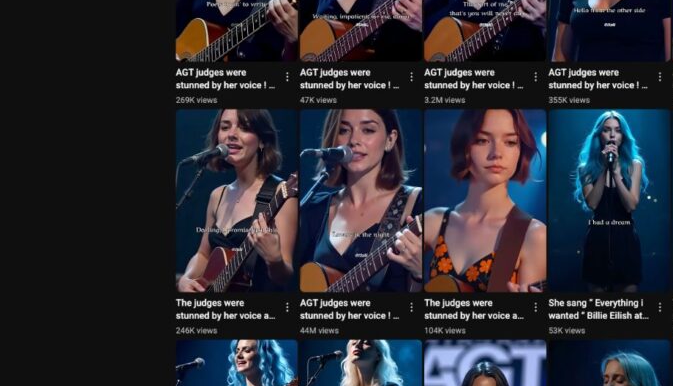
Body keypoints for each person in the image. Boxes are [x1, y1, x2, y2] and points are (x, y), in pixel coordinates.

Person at [297, 109, 423, 292]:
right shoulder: (314, 208)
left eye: (368, 130)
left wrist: (419, 274)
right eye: (343, 130)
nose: (353, 141)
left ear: (390, 139)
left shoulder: (417, 204)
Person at [424, 110, 547, 293]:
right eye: (482, 140)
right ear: (465, 146)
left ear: (520, 150)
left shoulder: (534, 235)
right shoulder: (433, 221)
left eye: (510, 142)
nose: (496, 153)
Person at [177, 109, 297, 292]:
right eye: (225, 127)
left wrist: (275, 260)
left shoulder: (282, 194)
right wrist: (186, 279)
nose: (232, 134)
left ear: (263, 141)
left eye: (244, 127)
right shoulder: (217, 195)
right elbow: (203, 254)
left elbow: (284, 276)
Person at [574, 111, 648, 292]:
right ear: (599, 135)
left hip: (625, 239)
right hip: (597, 239)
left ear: (624, 135)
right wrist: (605, 169)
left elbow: (631, 205)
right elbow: (592, 203)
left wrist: (615, 172)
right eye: (607, 130)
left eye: (617, 130)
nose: (613, 135)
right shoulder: (586, 168)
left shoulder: (634, 164)